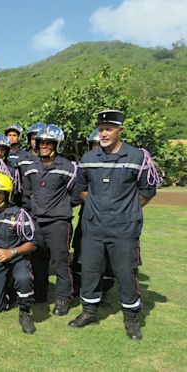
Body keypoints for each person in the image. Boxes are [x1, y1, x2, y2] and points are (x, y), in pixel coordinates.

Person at [69, 110, 159, 340]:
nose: (104, 133)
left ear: (120, 130)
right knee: (90, 272)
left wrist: (125, 210)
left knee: (126, 274)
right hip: (93, 228)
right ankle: (89, 311)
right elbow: (81, 189)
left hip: (124, 229)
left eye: (109, 129)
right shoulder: (89, 158)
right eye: (101, 129)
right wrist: (98, 206)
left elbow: (147, 192)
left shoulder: (137, 157)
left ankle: (131, 319)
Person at [22, 124, 81, 314]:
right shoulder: (31, 167)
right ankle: (39, 293)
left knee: (60, 262)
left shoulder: (68, 167)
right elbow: (27, 194)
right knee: (37, 262)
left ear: (57, 144)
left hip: (58, 223)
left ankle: (63, 298)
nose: (44, 146)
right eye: (41, 142)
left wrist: (59, 207)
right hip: (37, 223)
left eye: (49, 143)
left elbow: (76, 195)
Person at [0, 173, 37, 333]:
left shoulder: (20, 214)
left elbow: (33, 243)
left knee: (24, 278)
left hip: (16, 259)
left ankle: (25, 312)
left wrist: (12, 252)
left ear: (8, 194)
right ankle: (8, 292)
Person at [71, 129, 114, 304]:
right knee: (80, 252)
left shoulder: (115, 166)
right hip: (87, 217)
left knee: (108, 257)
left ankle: (104, 291)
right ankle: (77, 286)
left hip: (111, 219)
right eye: (94, 145)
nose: (98, 148)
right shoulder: (85, 166)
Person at [16, 123, 46, 212]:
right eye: (33, 138)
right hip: (27, 205)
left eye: (39, 138)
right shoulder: (22, 160)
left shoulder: (52, 160)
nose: (35, 141)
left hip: (47, 205)